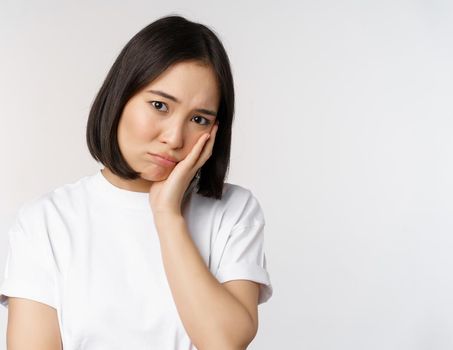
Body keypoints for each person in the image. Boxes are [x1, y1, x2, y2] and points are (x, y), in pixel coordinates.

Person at [0, 15, 273, 349]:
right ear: (120, 97)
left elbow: (224, 343)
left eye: (199, 119)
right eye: (159, 105)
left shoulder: (233, 212)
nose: (174, 138)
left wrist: (167, 215)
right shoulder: (46, 221)